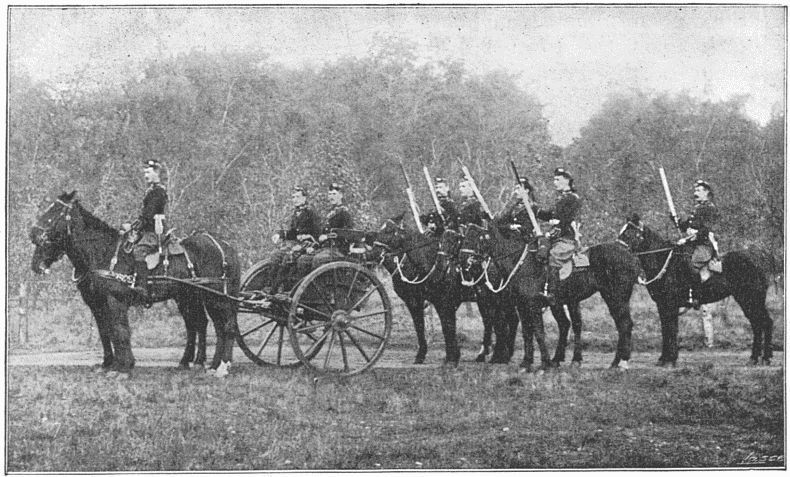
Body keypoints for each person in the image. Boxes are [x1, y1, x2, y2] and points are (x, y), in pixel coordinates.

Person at [534, 167, 582, 305]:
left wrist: (550, 234)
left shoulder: (573, 198)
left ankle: (552, 292)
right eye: (554, 179)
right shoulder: (561, 198)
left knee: (554, 255)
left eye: (558, 179)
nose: (555, 182)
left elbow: (564, 222)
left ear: (567, 180)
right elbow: (550, 215)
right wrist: (535, 209)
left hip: (566, 237)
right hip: (558, 235)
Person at [677, 179, 720, 309]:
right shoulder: (697, 209)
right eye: (695, 190)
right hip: (693, 244)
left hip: (704, 245)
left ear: (706, 192)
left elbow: (704, 230)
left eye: (699, 190)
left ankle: (696, 296)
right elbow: (686, 227)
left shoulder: (710, 208)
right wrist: (677, 220)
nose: (695, 193)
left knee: (691, 263)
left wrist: (687, 239)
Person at [269, 186, 321, 293]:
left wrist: (309, 239)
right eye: (293, 197)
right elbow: (293, 232)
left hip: (309, 244)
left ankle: (285, 289)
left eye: (298, 197)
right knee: (275, 255)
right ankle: (271, 285)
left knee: (288, 257)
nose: (295, 199)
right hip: (296, 244)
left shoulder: (311, 213)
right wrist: (280, 235)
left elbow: (317, 233)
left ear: (304, 198)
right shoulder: (296, 213)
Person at [131, 159, 168, 299]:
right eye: (145, 172)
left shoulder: (158, 192)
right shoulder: (152, 191)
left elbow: (148, 214)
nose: (145, 175)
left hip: (155, 232)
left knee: (138, 251)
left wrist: (138, 225)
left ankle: (143, 287)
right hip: (148, 230)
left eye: (148, 172)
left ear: (156, 173)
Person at [313, 183, 354, 269]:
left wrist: (327, 236)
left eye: (334, 194)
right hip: (327, 248)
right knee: (304, 259)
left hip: (339, 250)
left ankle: (322, 278)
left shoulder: (344, 213)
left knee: (318, 259)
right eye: (330, 194)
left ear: (341, 195)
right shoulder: (330, 212)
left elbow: (348, 232)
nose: (331, 197)